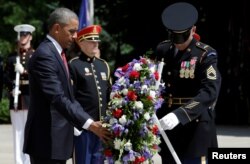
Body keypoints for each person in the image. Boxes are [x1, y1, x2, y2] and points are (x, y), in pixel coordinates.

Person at [23, 7, 111, 164]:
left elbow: (70, 96)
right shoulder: (45, 55)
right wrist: (90, 124)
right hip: (46, 141)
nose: (75, 36)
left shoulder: (57, 53)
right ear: (57, 28)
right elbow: (58, 97)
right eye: (71, 31)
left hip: (56, 141)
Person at [155, 2, 222, 164]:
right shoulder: (163, 50)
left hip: (196, 127)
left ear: (193, 30)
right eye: (174, 36)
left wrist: (180, 115)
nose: (178, 42)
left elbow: (210, 92)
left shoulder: (205, 54)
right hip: (169, 126)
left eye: (182, 36)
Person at [68, 25, 111, 164]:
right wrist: (80, 125)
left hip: (103, 130)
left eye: (97, 41)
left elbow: (110, 95)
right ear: (81, 43)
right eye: (91, 41)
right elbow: (70, 98)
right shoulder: (73, 65)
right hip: (83, 129)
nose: (96, 44)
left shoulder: (103, 65)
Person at [4, 24, 36, 164]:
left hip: (30, 98)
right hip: (17, 98)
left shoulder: (35, 56)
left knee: (29, 132)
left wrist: (24, 72)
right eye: (21, 35)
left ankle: (28, 160)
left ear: (30, 37)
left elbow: (39, 76)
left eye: (25, 35)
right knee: (17, 132)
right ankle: (18, 161)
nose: (23, 38)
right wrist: (11, 87)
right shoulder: (12, 57)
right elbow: (5, 76)